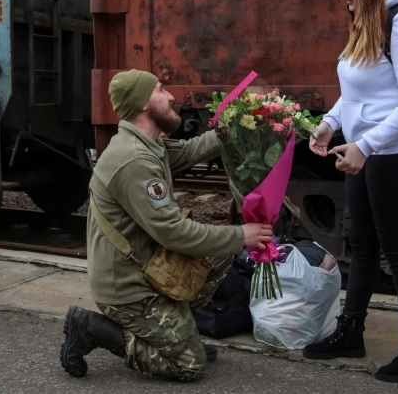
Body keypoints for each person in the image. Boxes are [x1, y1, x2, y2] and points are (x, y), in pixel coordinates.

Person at [59, 69, 273, 381]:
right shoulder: (133, 160)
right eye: (161, 90)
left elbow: (190, 150)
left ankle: (177, 335)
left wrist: (237, 123)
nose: (172, 97)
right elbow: (174, 233)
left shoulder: (147, 145)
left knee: (220, 252)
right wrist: (243, 234)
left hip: (149, 266)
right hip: (127, 287)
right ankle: (92, 329)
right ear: (143, 103)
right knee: (188, 366)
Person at [303, 0, 398, 384]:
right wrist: (329, 125)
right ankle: (352, 331)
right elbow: (359, 93)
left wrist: (367, 144)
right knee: (360, 245)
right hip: (366, 152)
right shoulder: (366, 21)